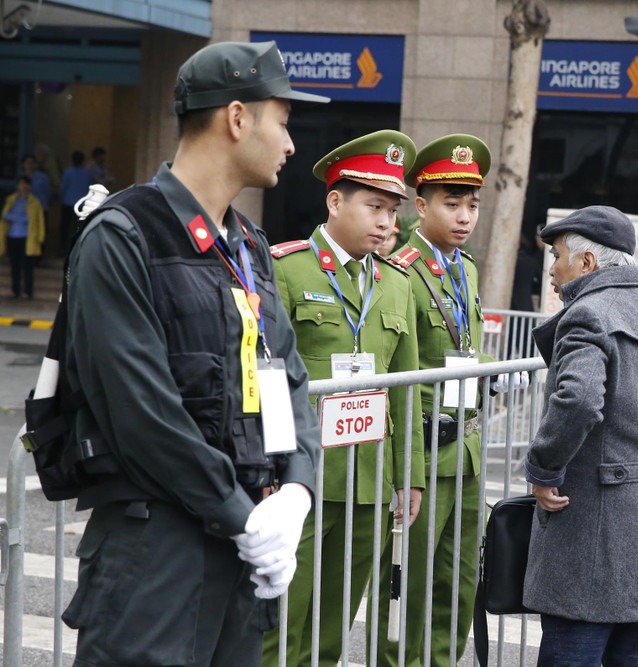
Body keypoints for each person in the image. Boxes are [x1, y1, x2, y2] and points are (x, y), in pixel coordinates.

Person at [60, 40, 329, 666]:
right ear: (238, 119)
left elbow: (287, 373)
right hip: (156, 553)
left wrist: (295, 490)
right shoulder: (123, 236)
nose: (290, 144)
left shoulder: (248, 246)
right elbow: (143, 414)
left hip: (240, 553)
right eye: (283, 122)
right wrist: (245, 518)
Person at [262, 129, 425, 667]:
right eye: (374, 207)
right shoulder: (286, 269)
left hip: (370, 480)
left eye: (392, 210)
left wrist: (411, 475)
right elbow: (265, 378)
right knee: (281, 620)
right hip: (301, 478)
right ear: (335, 201)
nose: (387, 223)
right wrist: (266, 471)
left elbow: (406, 387)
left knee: (334, 625)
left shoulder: (397, 282)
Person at [523, 206, 638, 666]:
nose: (552, 269)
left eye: (557, 255)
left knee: (573, 648)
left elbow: (577, 401)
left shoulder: (588, 314)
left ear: (587, 264)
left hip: (593, 521)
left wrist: (542, 468)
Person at [375, 133, 494, 667]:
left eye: (471, 204)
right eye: (452, 203)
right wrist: (409, 470)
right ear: (419, 206)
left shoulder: (465, 268)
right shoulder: (399, 272)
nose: (465, 216)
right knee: (407, 583)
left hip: (465, 449)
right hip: (424, 449)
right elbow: (402, 376)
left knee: (459, 583)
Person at [1, 175, 45, 299]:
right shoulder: (11, 200)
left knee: (28, 266)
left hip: (27, 237)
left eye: (25, 184)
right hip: (12, 236)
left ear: (29, 186)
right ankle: (15, 290)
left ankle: (28, 291)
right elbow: (5, 216)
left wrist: (40, 237)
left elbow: (37, 220)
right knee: (14, 265)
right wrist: (19, 217)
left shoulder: (34, 202)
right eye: (21, 184)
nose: (23, 186)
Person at [60, 150, 94, 250]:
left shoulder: (68, 172)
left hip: (67, 203)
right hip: (81, 205)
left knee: (65, 228)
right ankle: (76, 249)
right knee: (78, 229)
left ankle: (62, 249)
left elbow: (63, 188)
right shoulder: (87, 174)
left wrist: (62, 198)